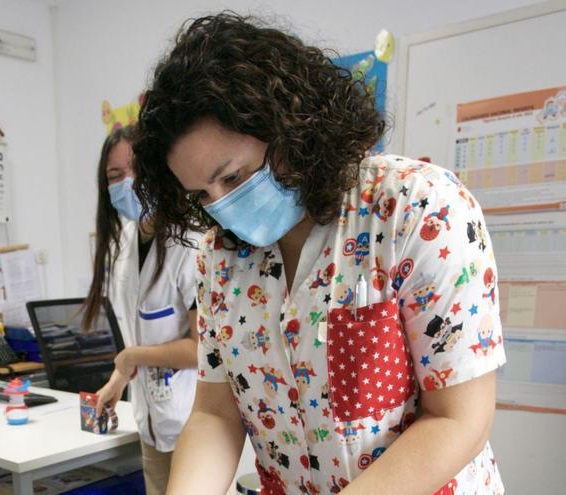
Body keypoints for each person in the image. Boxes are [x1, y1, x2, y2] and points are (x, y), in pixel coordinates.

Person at [132, 13, 506, 495]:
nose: (223, 206)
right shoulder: (219, 259)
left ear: (292, 128)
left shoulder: (416, 208)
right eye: (201, 195)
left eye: (235, 178)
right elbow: (214, 414)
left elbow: (460, 419)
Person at [82, 126, 201, 495]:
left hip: (194, 426)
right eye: (114, 176)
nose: (127, 183)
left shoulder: (191, 244)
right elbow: (139, 333)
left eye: (135, 169)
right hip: (150, 424)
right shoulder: (124, 246)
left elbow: (203, 349)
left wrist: (131, 356)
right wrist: (118, 380)